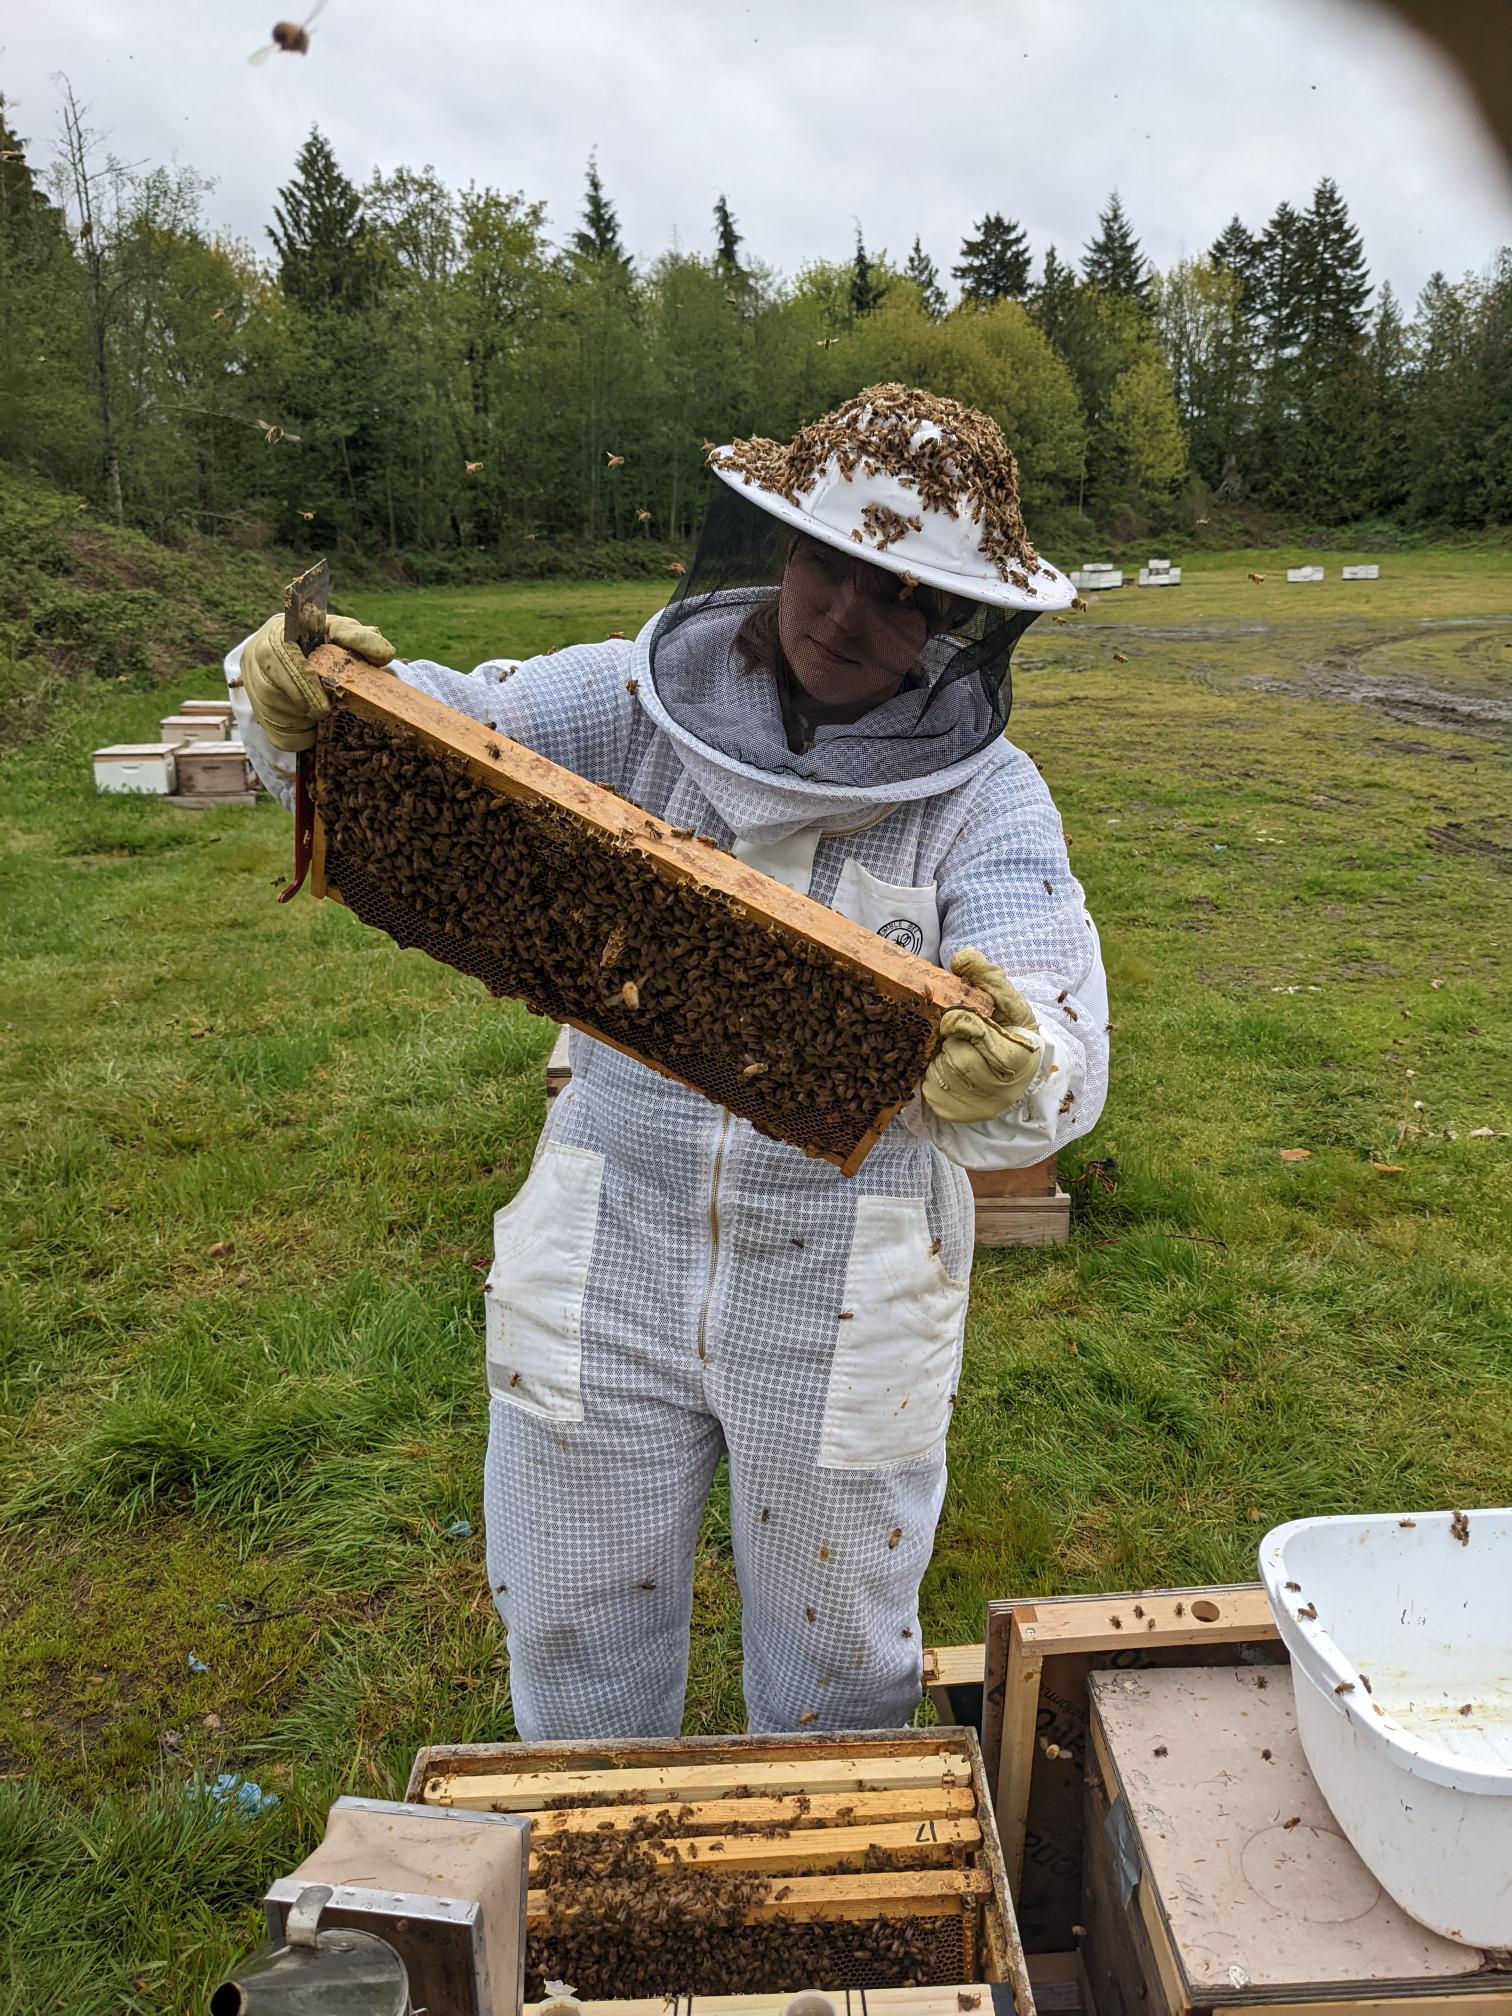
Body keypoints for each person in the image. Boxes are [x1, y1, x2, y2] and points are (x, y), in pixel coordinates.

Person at [226, 383, 1109, 1741]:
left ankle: (827, 1920)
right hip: (608, 1224)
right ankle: (583, 1914)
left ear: (951, 623)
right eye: (829, 564)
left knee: (836, 1663)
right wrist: (305, 708)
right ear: (778, 550)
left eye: (896, 593)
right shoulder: (630, 700)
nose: (844, 613)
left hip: (849, 1269)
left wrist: (1018, 1059)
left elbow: (1057, 1024)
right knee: (573, 1612)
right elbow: (426, 734)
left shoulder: (986, 799)